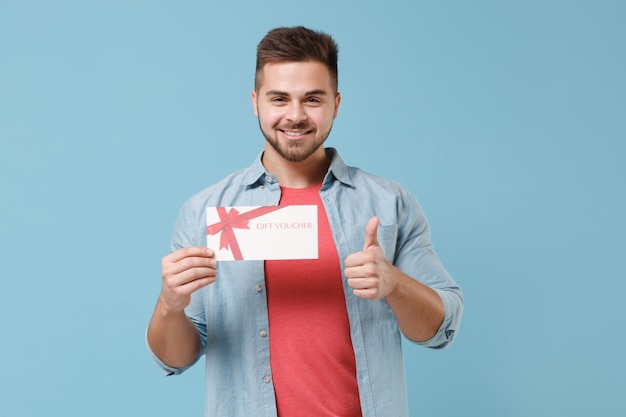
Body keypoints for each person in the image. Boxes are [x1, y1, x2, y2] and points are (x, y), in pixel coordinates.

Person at [147, 26, 463, 417]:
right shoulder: (205, 211)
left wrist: (394, 285)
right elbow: (177, 358)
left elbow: (441, 329)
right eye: (279, 98)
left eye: (312, 99)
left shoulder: (388, 203)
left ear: (336, 103)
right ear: (255, 102)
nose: (295, 116)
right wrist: (169, 305)